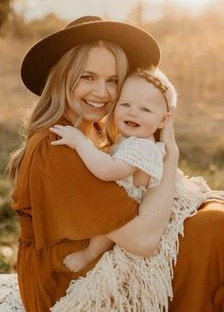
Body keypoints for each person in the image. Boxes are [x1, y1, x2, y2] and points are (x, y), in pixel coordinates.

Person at [0, 15, 224, 312]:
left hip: (98, 254)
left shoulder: (94, 129)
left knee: (216, 220)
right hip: (67, 282)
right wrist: (171, 155)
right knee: (214, 230)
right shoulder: (58, 147)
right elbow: (142, 241)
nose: (103, 92)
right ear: (62, 78)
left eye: (113, 80)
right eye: (88, 77)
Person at [49, 67, 178, 274]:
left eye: (145, 109)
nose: (132, 112)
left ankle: (90, 254)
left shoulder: (142, 147)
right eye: (125, 104)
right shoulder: (131, 139)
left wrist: (80, 143)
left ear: (163, 120)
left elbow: (110, 171)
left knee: (106, 229)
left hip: (127, 208)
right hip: (116, 200)